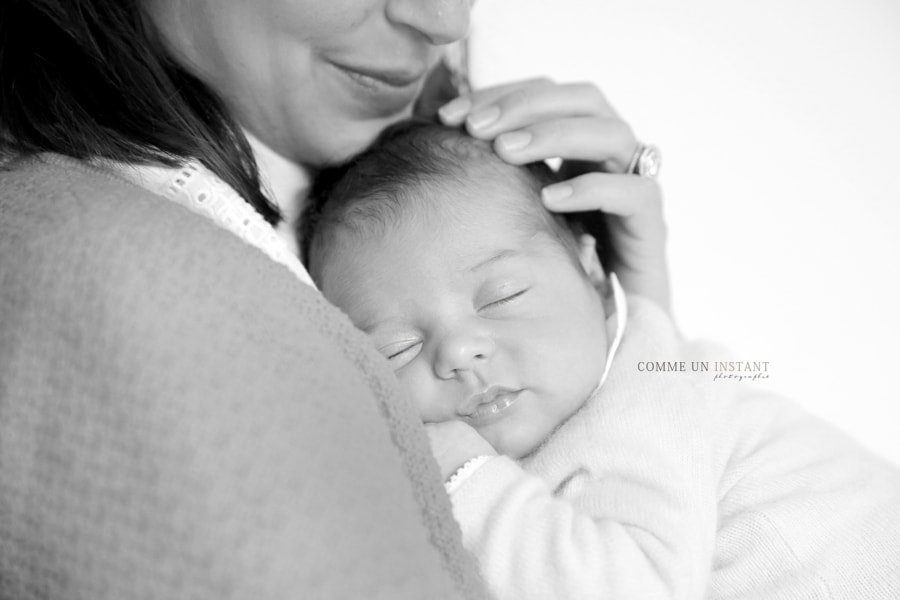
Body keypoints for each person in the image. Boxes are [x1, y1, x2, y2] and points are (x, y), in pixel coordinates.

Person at [0, 1, 673, 598]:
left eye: (506, 293)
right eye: (396, 348)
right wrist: (647, 329)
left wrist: (633, 308)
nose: (446, 21)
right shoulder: (112, 271)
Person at [304, 120, 900, 600]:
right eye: (396, 348)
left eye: (503, 295)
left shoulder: (648, 390)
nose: (459, 352)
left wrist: (456, 469)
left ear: (591, 270)